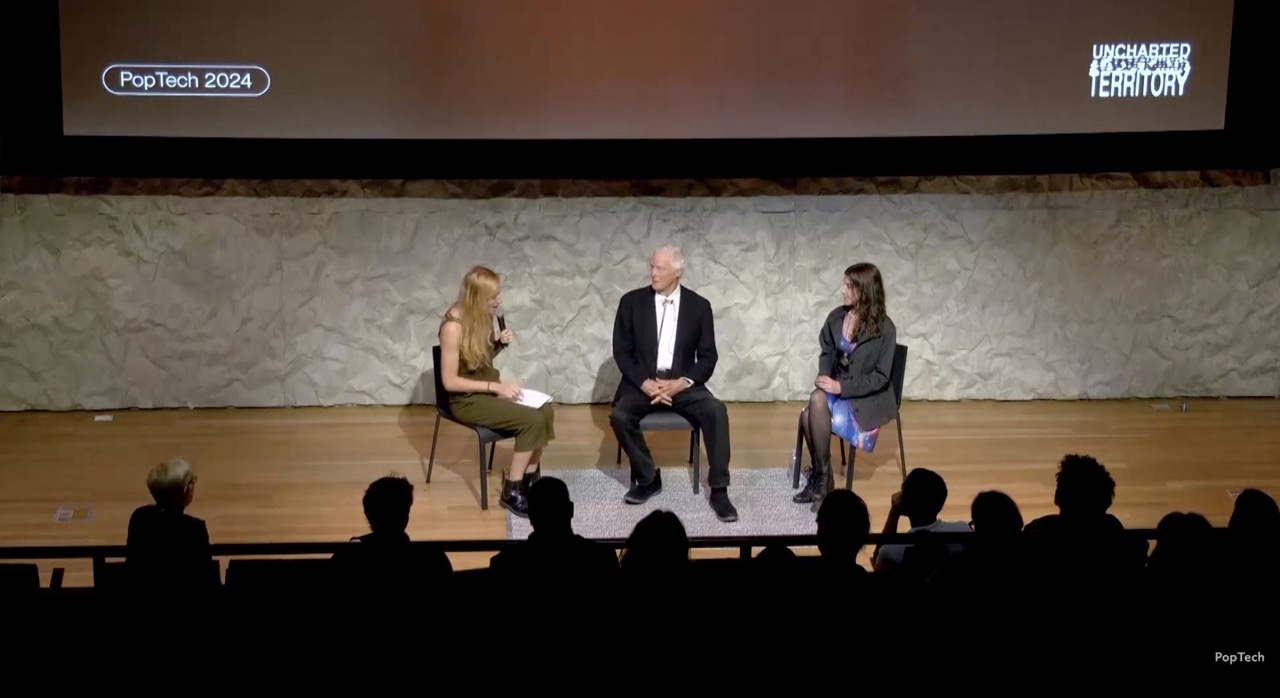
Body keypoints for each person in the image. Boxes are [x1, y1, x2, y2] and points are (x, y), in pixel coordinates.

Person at [610, 244, 737, 522]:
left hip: (682, 385)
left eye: (660, 268)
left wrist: (682, 382)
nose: (653, 273)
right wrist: (645, 383)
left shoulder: (699, 306)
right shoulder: (630, 302)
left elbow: (707, 357)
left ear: (678, 272)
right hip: (643, 383)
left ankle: (719, 489)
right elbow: (621, 350)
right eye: (651, 267)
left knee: (716, 410)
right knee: (620, 416)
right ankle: (647, 478)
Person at [438, 265, 554, 517]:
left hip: (488, 390)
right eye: (493, 297)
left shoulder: (482, 317)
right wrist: (495, 386)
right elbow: (450, 382)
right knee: (531, 420)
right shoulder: (452, 328)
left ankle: (530, 479)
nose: (498, 301)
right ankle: (511, 491)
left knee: (544, 409)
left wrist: (498, 345)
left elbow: (479, 360)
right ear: (476, 297)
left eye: (498, 294)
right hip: (467, 400)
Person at [793, 262, 899, 504]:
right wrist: (824, 378)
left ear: (864, 290)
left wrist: (841, 388)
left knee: (810, 412)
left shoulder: (885, 329)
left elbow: (881, 377)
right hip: (836, 392)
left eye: (848, 286)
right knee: (815, 401)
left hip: (864, 398)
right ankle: (823, 476)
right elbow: (826, 353)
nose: (842, 290)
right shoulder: (837, 317)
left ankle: (822, 478)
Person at [125, 458, 216, 590]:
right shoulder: (193, 528)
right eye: (192, 481)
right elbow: (204, 578)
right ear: (185, 491)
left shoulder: (140, 517)